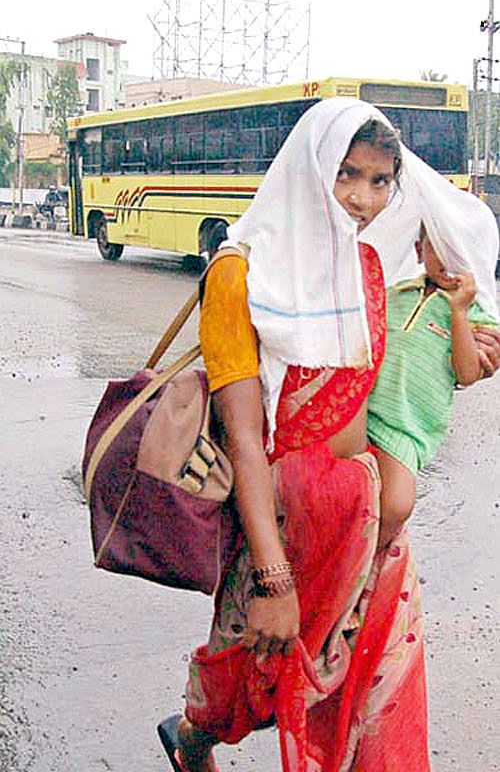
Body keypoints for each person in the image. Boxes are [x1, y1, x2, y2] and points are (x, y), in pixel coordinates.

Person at [157, 99, 500, 772]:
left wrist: (467, 349)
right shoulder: (238, 275)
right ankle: (191, 740)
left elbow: (397, 376)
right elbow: (246, 436)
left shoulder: (365, 267)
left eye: (380, 181)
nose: (362, 199)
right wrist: (272, 579)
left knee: (371, 693)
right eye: (347, 174)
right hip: (282, 530)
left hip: (365, 529)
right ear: (311, 167)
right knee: (252, 677)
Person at [369, 221, 499, 549]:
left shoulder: (477, 314)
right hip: (363, 411)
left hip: (407, 428)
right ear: (418, 250)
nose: (446, 260)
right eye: (437, 247)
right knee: (347, 495)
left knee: (395, 505)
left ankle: (367, 563)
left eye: (456, 250)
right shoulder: (395, 293)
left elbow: (467, 374)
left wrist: (458, 312)